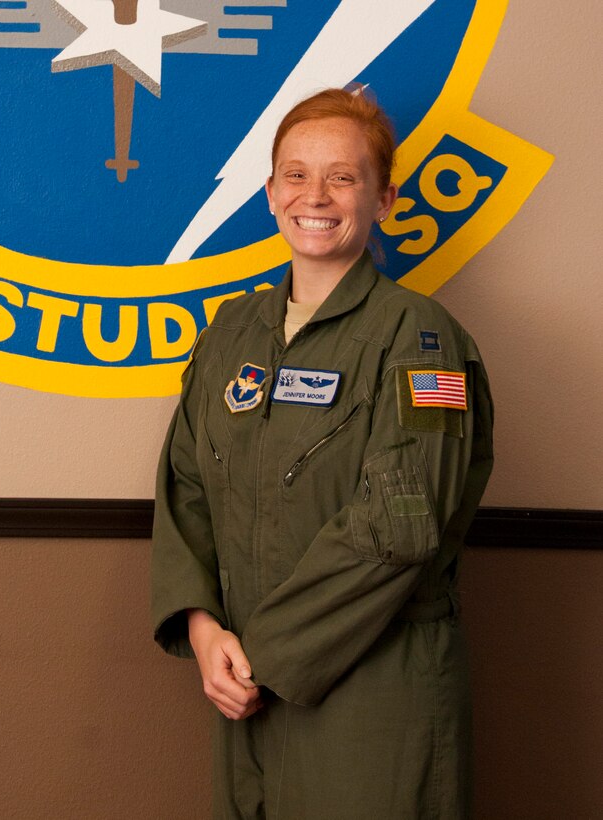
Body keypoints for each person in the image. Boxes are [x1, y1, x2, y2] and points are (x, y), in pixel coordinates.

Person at [150, 88, 494, 819]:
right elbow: (186, 487)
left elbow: (399, 528)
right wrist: (204, 631)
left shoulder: (421, 340)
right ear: (271, 193)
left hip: (374, 692)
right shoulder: (231, 335)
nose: (315, 195)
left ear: (384, 199)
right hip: (240, 687)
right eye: (296, 175)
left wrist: (263, 656)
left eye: (343, 177)